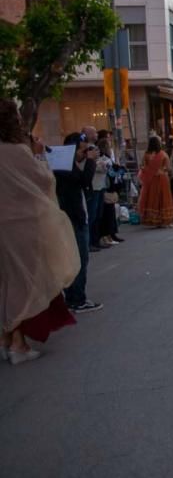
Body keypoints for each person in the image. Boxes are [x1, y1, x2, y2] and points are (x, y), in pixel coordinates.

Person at [0, 100, 78, 364]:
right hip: (22, 227)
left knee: (6, 282)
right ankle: (18, 345)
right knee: (24, 284)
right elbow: (44, 181)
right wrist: (39, 155)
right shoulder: (16, 152)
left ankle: (7, 339)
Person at [54, 132, 103, 313]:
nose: (86, 152)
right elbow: (82, 181)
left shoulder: (64, 164)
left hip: (73, 214)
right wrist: (90, 161)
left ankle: (73, 297)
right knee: (79, 259)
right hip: (73, 216)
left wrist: (84, 159)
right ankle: (77, 299)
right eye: (83, 149)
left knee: (74, 259)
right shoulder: (63, 166)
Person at [138, 136, 173, 227]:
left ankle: (154, 220)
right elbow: (168, 167)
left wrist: (149, 171)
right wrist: (170, 173)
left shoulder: (146, 154)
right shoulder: (163, 154)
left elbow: (142, 166)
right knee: (163, 198)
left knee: (153, 198)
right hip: (162, 178)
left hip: (151, 179)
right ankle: (164, 220)